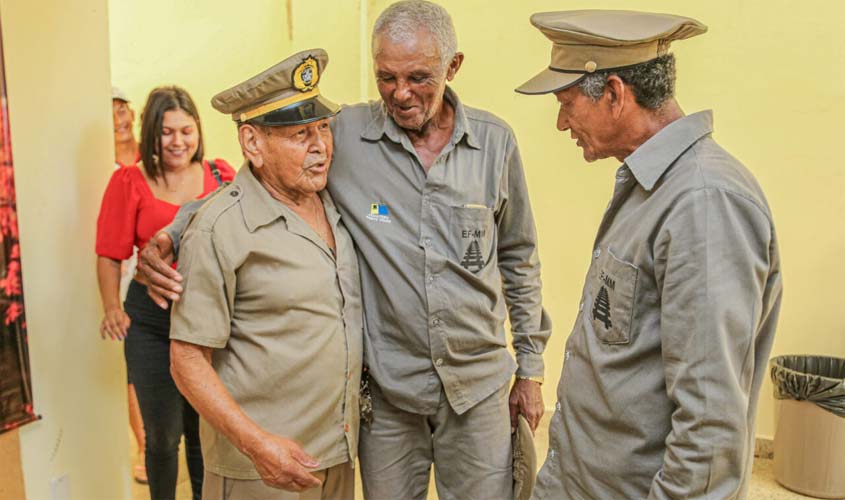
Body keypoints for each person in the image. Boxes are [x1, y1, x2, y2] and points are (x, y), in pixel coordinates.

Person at [140, 2, 550, 498]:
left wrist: (530, 367)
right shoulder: (347, 133)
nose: (400, 93)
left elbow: (519, 258)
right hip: (390, 396)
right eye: (386, 77)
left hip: (477, 388)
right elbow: (252, 183)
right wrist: (174, 231)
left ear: (453, 66)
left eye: (418, 77)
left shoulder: (495, 144)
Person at [515, 10, 783, 499]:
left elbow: (708, 429)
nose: (560, 123)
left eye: (566, 103)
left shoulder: (703, 203)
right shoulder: (653, 188)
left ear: (615, 94)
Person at [168, 48, 362, 500]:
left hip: (335, 453)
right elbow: (187, 359)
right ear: (253, 143)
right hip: (262, 470)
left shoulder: (337, 201)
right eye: (300, 134)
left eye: (323, 129)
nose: (321, 146)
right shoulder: (220, 229)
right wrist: (257, 446)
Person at [96, 85, 235, 500]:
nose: (178, 141)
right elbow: (108, 253)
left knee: (201, 432)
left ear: (198, 131)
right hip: (151, 320)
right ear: (152, 133)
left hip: (205, 318)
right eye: (168, 132)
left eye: (186, 131)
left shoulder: (220, 176)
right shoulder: (130, 181)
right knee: (161, 436)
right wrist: (110, 308)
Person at [109, 85, 146, 484]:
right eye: (111, 111)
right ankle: (146, 444)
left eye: (124, 109)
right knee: (135, 368)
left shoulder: (149, 158)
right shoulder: (100, 167)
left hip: (164, 271)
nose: (120, 118)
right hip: (124, 278)